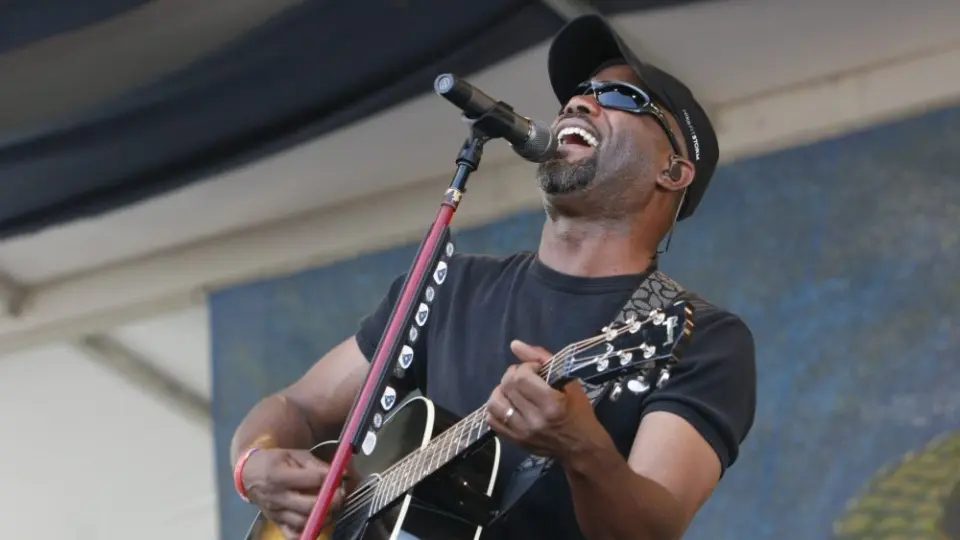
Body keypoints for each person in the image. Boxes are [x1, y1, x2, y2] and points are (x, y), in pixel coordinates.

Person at [230, 13, 756, 540]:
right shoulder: (451, 287)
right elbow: (296, 406)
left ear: (672, 170)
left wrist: (581, 445)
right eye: (579, 92)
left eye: (619, 97)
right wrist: (254, 464)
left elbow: (650, 532)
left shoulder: (699, 338)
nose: (579, 102)